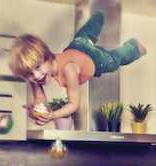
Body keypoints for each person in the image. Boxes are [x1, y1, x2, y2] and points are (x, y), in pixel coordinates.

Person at [8, 11, 146, 126]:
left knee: (115, 60)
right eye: (29, 74)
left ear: (47, 56)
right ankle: (99, 15)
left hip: (94, 59)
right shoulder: (35, 75)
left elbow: (74, 103)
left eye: (38, 67)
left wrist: (53, 115)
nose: (36, 76)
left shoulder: (69, 70)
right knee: (86, 33)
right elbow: (39, 98)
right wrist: (38, 108)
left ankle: (134, 47)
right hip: (77, 45)